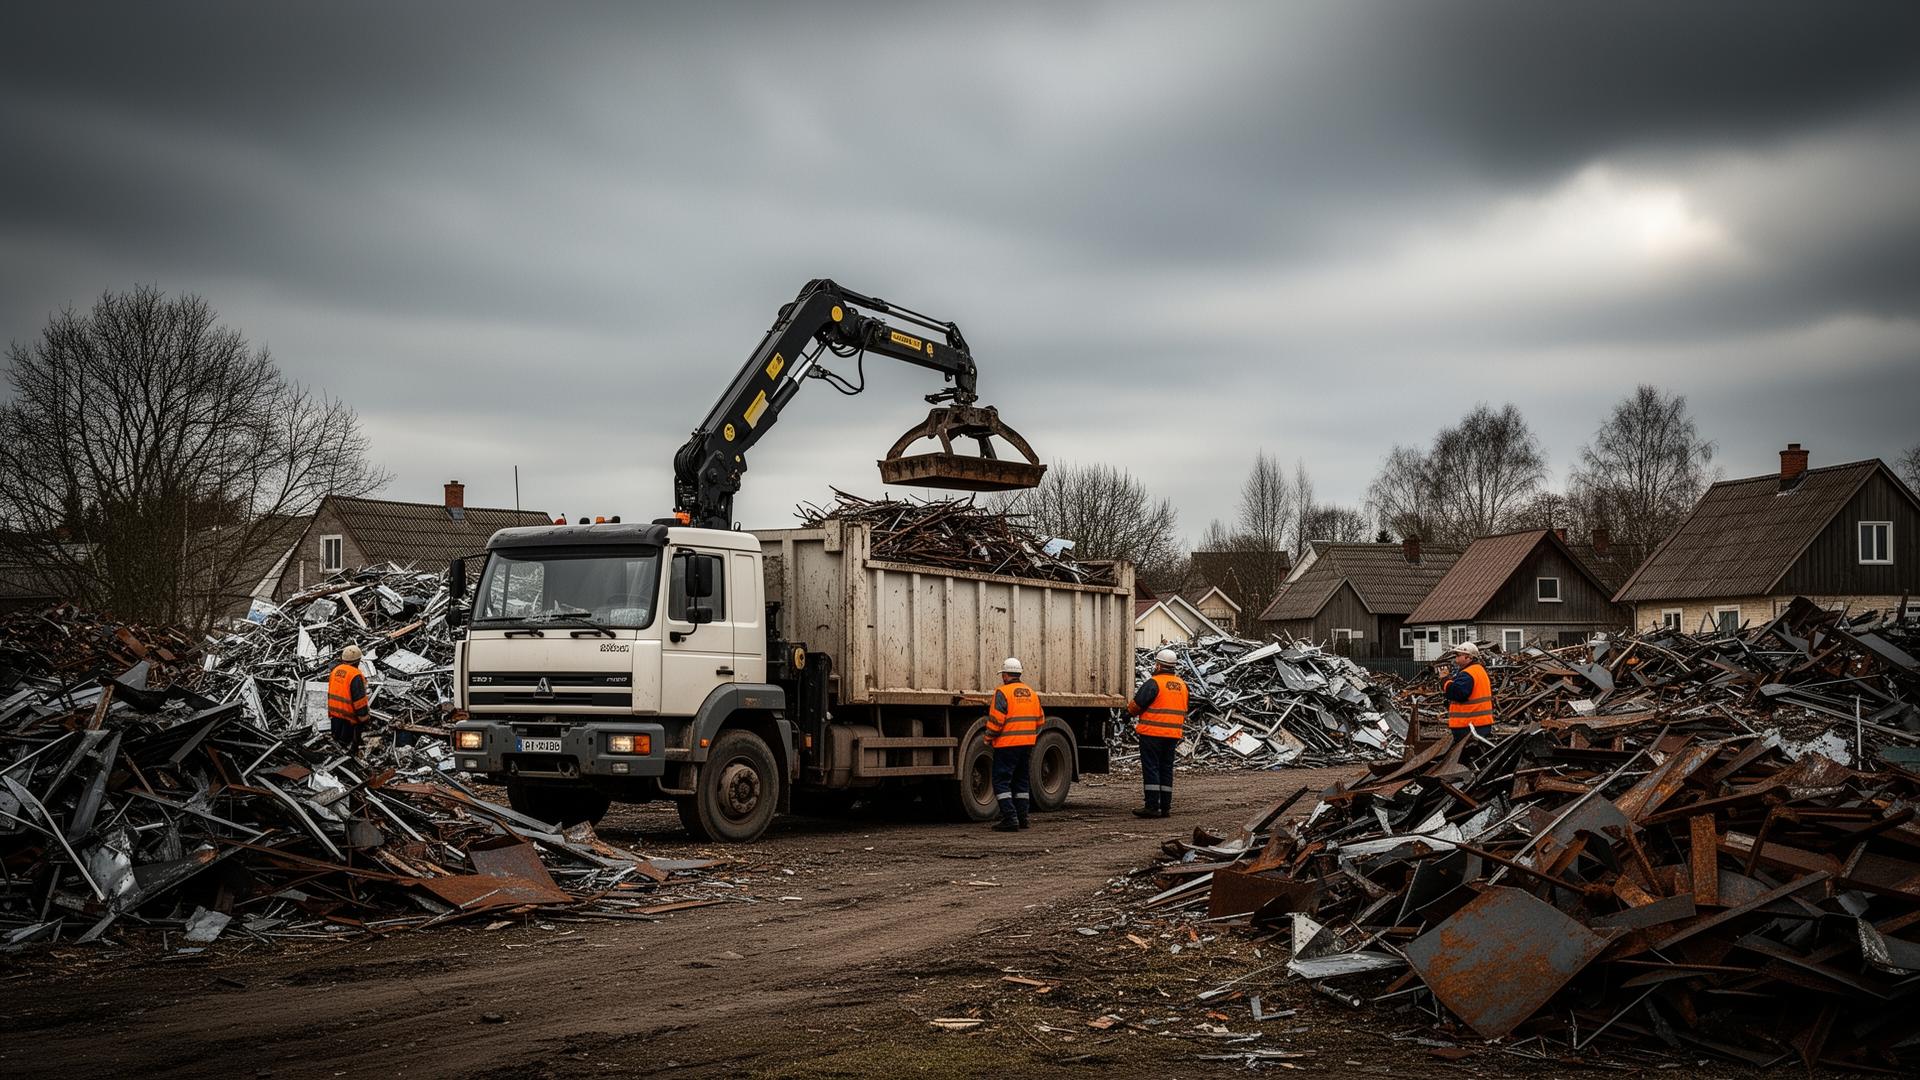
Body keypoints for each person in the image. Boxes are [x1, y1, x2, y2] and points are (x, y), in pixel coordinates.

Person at [1126, 648, 1188, 818]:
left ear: (1159, 666)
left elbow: (1138, 704)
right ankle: (1165, 807)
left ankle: (1152, 806)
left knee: (1151, 768)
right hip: (1172, 735)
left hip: (1152, 733)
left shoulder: (1154, 683)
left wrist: (1127, 714)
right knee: (1166, 768)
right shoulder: (1182, 685)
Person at [985, 657, 1042, 832]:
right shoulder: (1031, 693)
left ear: (1005, 675)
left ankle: (1010, 818)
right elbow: (1040, 720)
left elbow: (996, 720)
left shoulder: (1002, 692)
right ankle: (1023, 817)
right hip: (1027, 745)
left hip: (1006, 745)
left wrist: (988, 737)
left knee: (1001, 781)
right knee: (1021, 781)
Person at [1441, 641, 1494, 748]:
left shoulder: (1468, 674)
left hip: (1468, 725)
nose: (1455, 658)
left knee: (1466, 756)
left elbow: (1458, 694)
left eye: (1458, 655)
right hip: (1479, 723)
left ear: (1469, 657)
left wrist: (1445, 681)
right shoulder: (1478, 671)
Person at [328, 644, 372, 753]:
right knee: (347, 749)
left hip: (334, 715)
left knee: (336, 745)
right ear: (358, 661)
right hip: (349, 718)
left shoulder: (335, 671)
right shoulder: (355, 675)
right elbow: (359, 700)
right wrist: (364, 717)